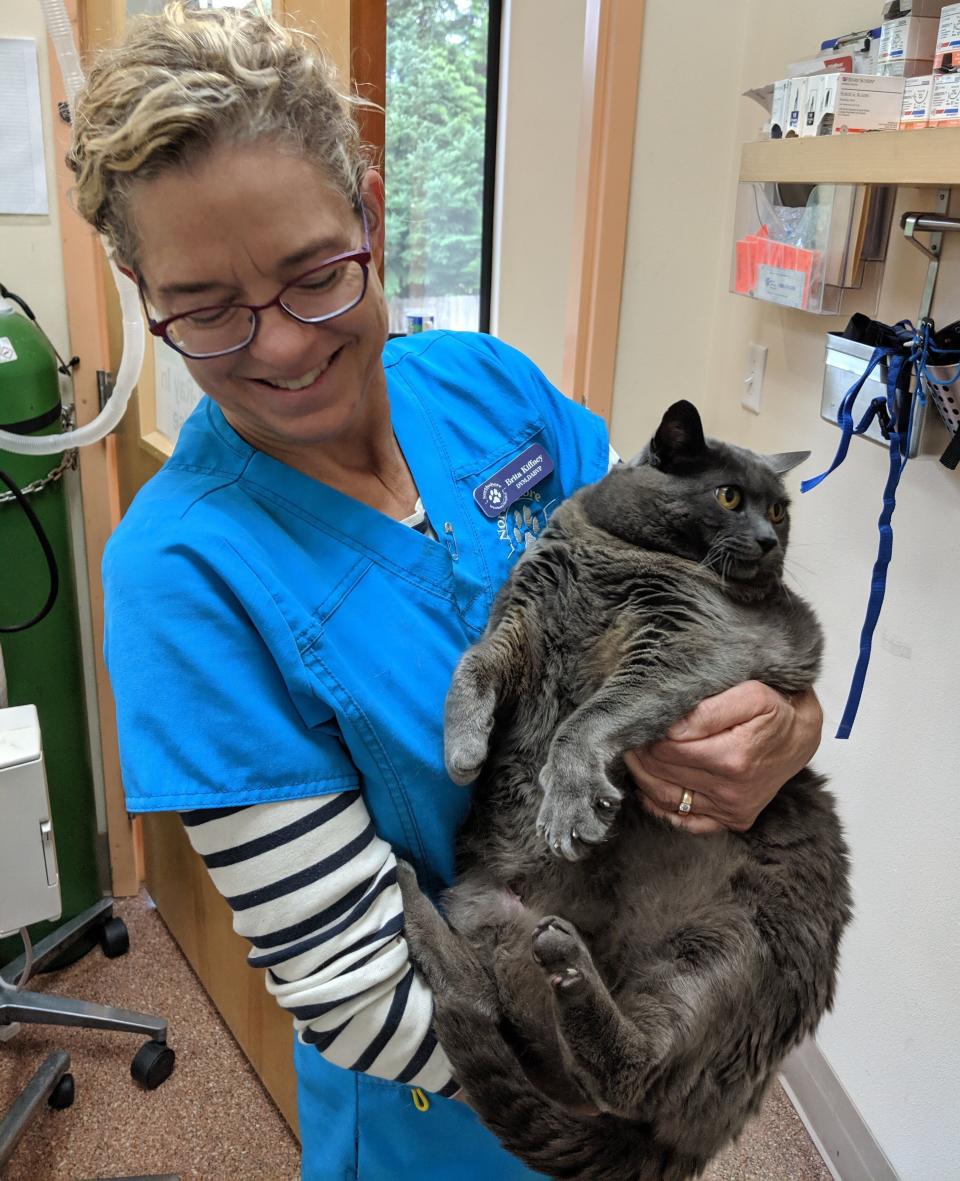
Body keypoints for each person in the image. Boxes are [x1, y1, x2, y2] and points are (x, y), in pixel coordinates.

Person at [70, 6, 822, 1179]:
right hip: (468, 1118)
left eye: (315, 273)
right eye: (206, 307)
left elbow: (705, 604)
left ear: (369, 210)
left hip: (660, 970)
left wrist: (785, 727)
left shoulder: (484, 384)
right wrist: (645, 1085)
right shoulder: (182, 577)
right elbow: (364, 994)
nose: (277, 347)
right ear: (137, 282)